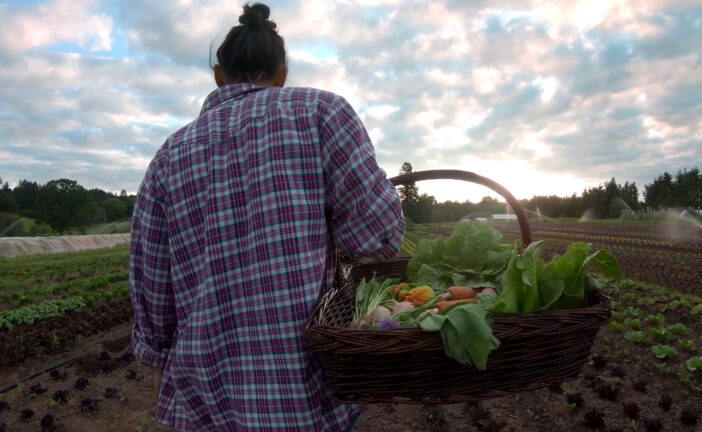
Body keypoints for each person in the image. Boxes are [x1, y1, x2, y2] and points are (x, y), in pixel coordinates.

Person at [129, 3, 405, 431]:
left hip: (205, 397)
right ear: (282, 74)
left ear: (219, 74)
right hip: (305, 392)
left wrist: (159, 361)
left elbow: (152, 284)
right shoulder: (322, 113)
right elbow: (377, 236)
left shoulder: (168, 155)